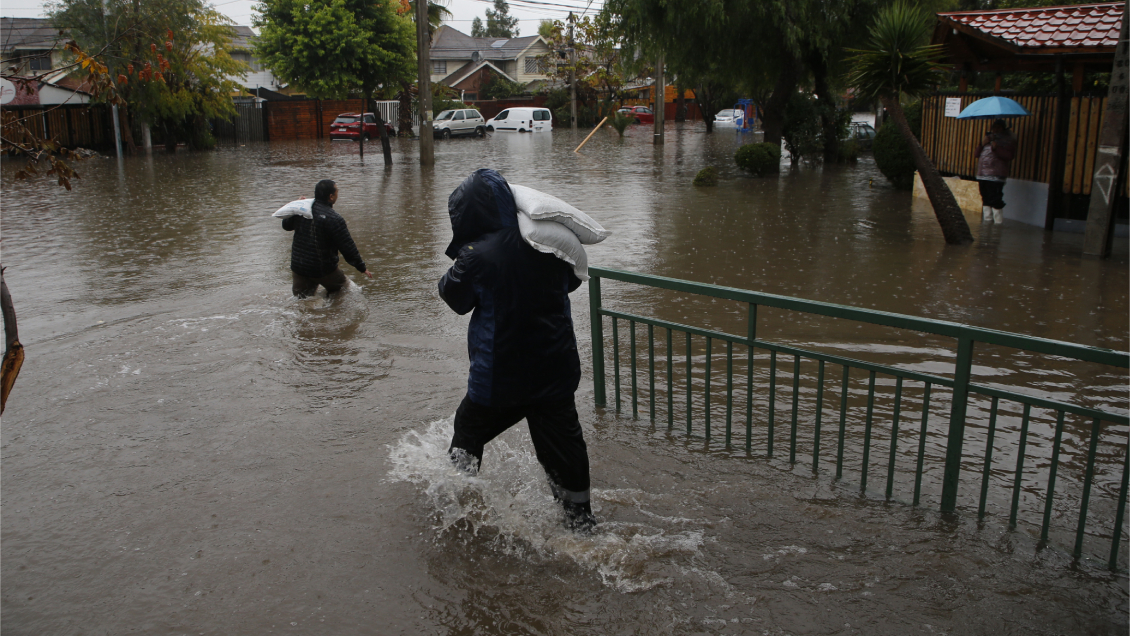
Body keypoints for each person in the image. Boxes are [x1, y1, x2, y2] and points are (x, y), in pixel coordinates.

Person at [437, 168, 596, 533]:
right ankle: (581, 524)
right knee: (564, 450)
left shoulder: (477, 255)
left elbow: (455, 298)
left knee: (467, 433)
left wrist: (464, 256)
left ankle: (457, 512)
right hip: (555, 371)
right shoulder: (550, 245)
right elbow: (571, 282)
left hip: (500, 378)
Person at [282, 180, 372, 297]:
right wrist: (361, 267)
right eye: (337, 192)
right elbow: (347, 246)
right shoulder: (334, 218)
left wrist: (296, 206)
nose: (337, 194)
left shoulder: (301, 210)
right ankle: (331, 312)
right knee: (351, 292)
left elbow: (286, 226)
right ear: (331, 196)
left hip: (299, 267)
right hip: (323, 269)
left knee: (302, 302)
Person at [974, 119, 1017, 224]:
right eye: (994, 127)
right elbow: (976, 154)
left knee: (995, 198)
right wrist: (982, 143)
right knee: (985, 197)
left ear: (1003, 128)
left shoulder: (1007, 140)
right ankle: (987, 221)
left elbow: (1009, 156)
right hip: (982, 174)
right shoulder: (988, 138)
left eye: (998, 127)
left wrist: (996, 147)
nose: (995, 130)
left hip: (996, 175)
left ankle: (998, 224)